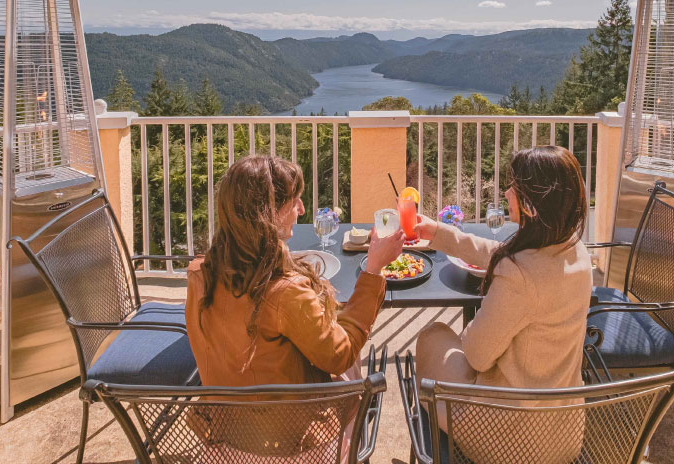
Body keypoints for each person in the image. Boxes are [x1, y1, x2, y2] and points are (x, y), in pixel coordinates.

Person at [184, 154, 404, 455]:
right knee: (351, 362)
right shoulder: (285, 294)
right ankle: (348, 446)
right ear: (267, 213)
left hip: (225, 438)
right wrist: (374, 269)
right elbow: (339, 354)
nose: (301, 208)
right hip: (287, 447)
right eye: (294, 200)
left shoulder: (200, 275)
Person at [413, 145, 594, 463]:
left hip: (509, 441)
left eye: (515, 187)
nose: (507, 192)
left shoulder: (520, 274)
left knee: (434, 336)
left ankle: (430, 441)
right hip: (563, 434)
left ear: (531, 204)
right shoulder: (574, 250)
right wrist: (442, 234)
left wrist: (472, 328)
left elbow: (478, 356)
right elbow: (503, 253)